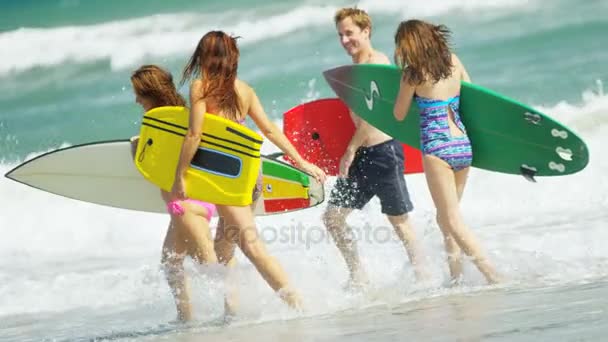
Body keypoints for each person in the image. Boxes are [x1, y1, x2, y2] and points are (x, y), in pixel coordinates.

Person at [172, 30, 327, 309]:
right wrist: (301, 162)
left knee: (253, 248)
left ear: (204, 57)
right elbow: (268, 130)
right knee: (223, 248)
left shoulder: (201, 88)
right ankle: (232, 313)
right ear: (233, 57)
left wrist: (180, 174)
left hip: (225, 178)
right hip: (250, 175)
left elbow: (194, 135)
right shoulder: (245, 90)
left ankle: (299, 306)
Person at [322, 7, 426, 289]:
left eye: (350, 33)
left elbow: (375, 116)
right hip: (362, 155)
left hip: (383, 153)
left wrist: (349, 150)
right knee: (333, 218)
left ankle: (423, 277)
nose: (345, 40)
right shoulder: (356, 67)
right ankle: (358, 275)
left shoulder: (376, 62)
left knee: (399, 221)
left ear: (366, 31)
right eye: (341, 35)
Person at [392, 19, 500, 284]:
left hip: (437, 149)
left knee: (452, 221)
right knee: (446, 218)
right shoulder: (453, 61)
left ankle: (494, 276)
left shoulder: (412, 74)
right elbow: (473, 93)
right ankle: (456, 278)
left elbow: (398, 113)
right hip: (462, 145)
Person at [130, 65, 228, 321]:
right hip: (194, 202)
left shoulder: (158, 124)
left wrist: (135, 148)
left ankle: (236, 312)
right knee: (172, 262)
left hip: (183, 205)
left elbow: (148, 167)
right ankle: (187, 317)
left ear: (151, 93)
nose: (136, 100)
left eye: (139, 94)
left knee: (208, 262)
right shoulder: (185, 116)